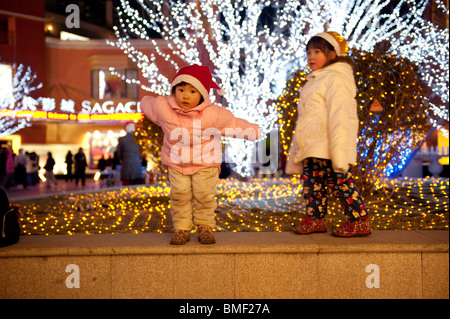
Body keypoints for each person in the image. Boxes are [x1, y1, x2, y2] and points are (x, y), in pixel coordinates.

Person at [140, 64, 261, 245]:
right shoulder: (163, 108)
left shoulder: (212, 115)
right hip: (177, 163)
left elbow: (234, 124)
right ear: (174, 90)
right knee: (179, 195)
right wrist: (143, 102)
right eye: (181, 89)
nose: (186, 95)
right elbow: (147, 104)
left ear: (203, 94)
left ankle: (204, 226)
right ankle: (181, 228)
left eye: (192, 91)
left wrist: (254, 131)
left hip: (205, 163)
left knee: (204, 195)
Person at [285, 31, 371, 237]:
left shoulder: (336, 78)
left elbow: (340, 114)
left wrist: (340, 149)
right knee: (312, 185)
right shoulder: (315, 80)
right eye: (308, 53)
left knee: (340, 181)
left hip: (328, 143)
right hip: (313, 144)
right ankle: (316, 219)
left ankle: (359, 220)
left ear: (333, 55)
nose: (311, 57)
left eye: (317, 51)